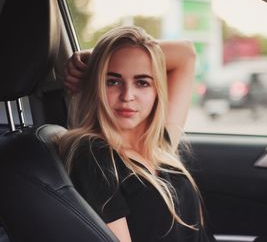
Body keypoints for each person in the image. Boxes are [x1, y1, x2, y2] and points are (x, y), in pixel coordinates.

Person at [59, 26, 215, 242]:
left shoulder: (159, 145)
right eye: (112, 81)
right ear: (96, 85)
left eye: (142, 82)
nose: (127, 96)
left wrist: (94, 55)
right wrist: (100, 60)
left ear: (157, 89)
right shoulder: (93, 154)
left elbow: (186, 54)